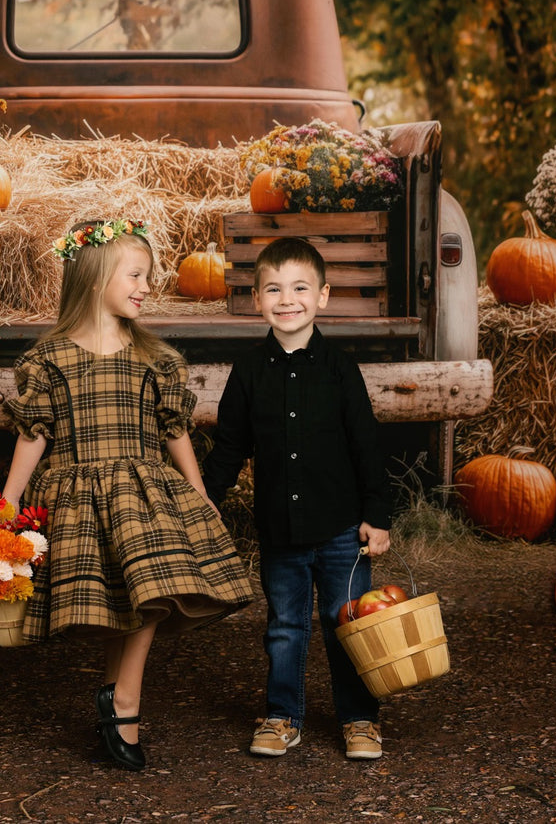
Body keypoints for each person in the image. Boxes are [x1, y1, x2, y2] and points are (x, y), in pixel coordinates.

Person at [0, 218, 252, 772]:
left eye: (147, 277)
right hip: (81, 494)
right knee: (125, 599)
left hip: (144, 490)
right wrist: (10, 500)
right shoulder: (51, 359)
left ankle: (124, 699)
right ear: (94, 279)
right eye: (134, 276)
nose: (145, 287)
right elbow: (33, 432)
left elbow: (174, 430)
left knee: (154, 590)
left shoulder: (154, 359)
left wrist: (198, 489)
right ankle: (116, 698)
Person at [201, 236, 392, 761]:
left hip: (340, 530)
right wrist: (206, 499)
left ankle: (359, 719)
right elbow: (230, 447)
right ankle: (283, 716)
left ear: (323, 296)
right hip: (280, 531)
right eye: (274, 289)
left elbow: (366, 446)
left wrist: (377, 516)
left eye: (300, 287)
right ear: (257, 299)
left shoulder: (340, 370)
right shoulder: (248, 372)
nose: (288, 299)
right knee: (284, 627)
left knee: (347, 623)